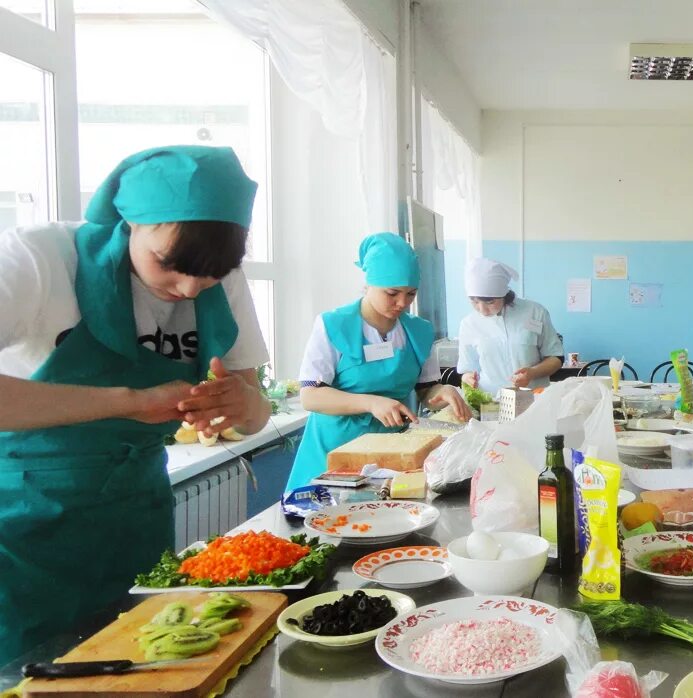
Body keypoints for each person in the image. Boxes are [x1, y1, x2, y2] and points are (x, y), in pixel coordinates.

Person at [0, 145, 272, 664]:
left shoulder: (219, 278)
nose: (191, 287)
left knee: (141, 663)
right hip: (21, 531)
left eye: (213, 272)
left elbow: (255, 409)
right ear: (131, 223)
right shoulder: (38, 258)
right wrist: (126, 401)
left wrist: (242, 405)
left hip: (134, 520)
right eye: (171, 265)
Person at [287, 233, 470, 490]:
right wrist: (370, 403)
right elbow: (310, 396)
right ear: (369, 283)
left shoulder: (419, 331)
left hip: (392, 453)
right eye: (392, 293)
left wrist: (444, 391)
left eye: (411, 294)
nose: (402, 303)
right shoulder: (333, 325)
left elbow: (426, 389)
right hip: (334, 453)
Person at [457, 257, 564, 395]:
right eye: (474, 301)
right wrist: (468, 378)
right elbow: (466, 369)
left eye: (489, 302)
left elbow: (556, 357)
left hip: (533, 398)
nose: (482, 310)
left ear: (504, 294)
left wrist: (532, 373)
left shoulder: (534, 312)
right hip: (490, 401)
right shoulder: (469, 324)